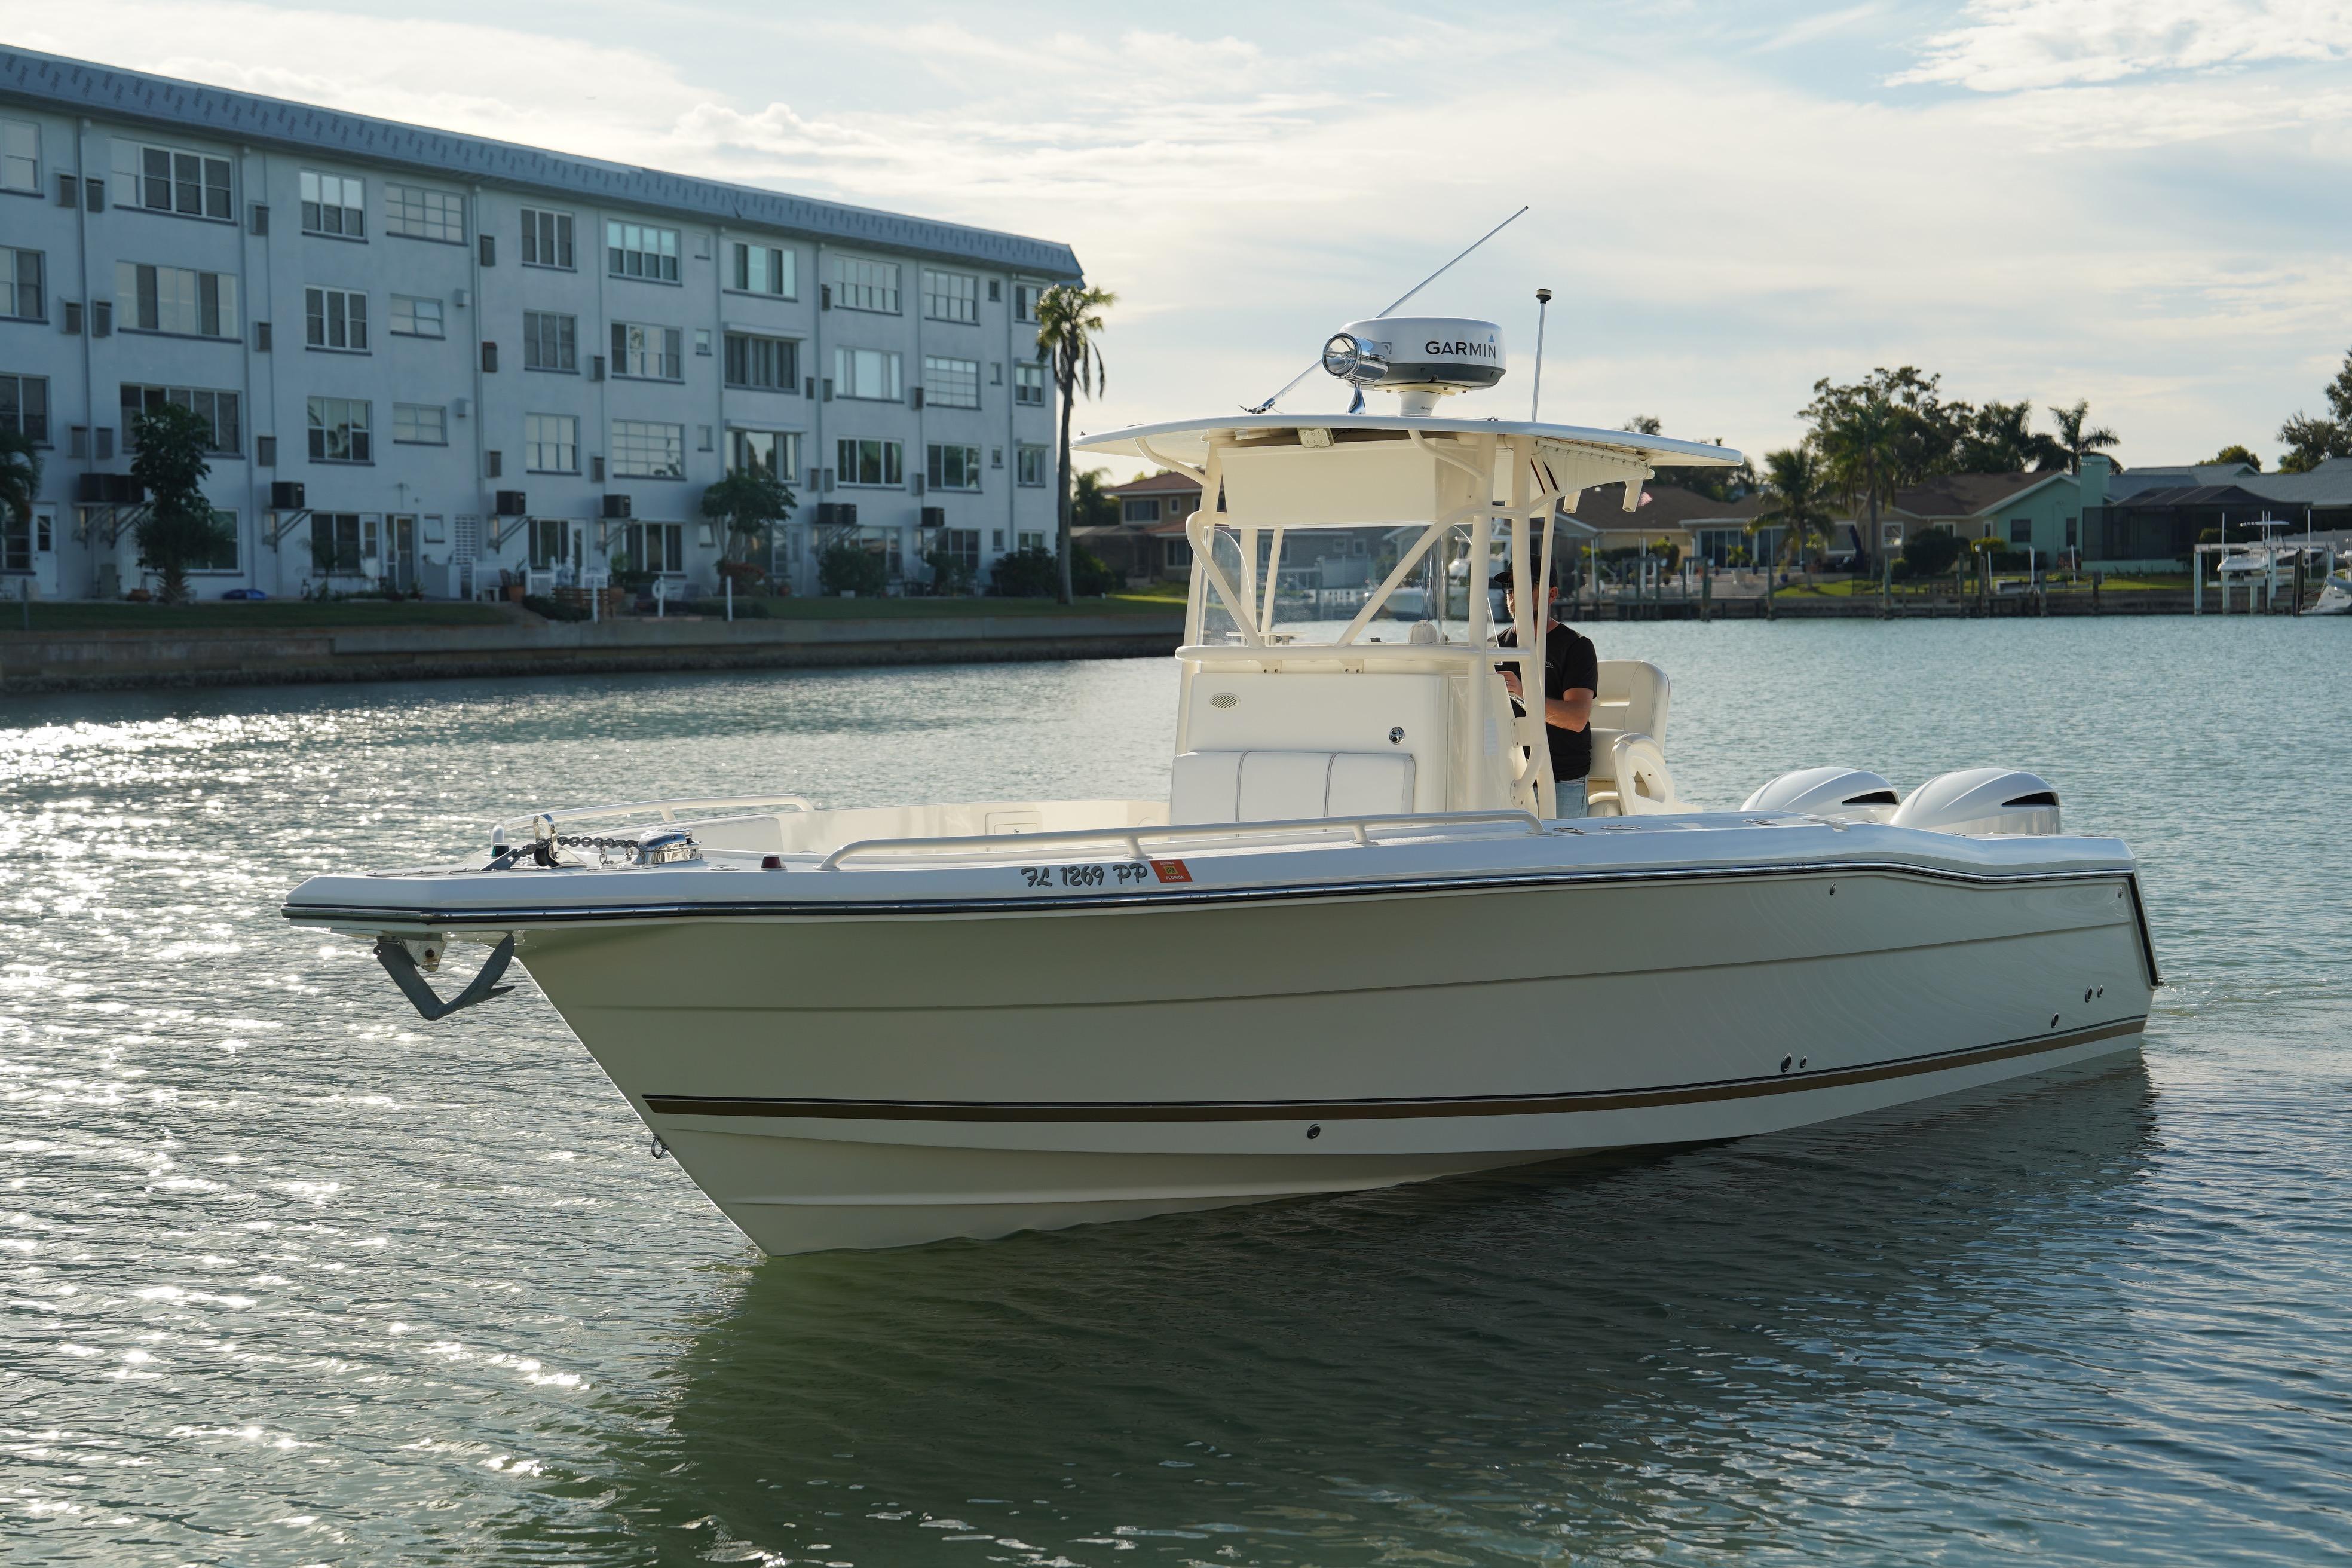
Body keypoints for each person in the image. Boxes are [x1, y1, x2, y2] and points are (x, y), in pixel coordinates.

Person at [1493, 571, 1598, 817]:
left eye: (1524, 586)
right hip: (1506, 778)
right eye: (1509, 586)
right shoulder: (1494, 647)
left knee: (1563, 856)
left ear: (1552, 594)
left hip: (1561, 780)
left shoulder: (1577, 647)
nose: (1513, 594)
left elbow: (1576, 719)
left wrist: (1523, 693)